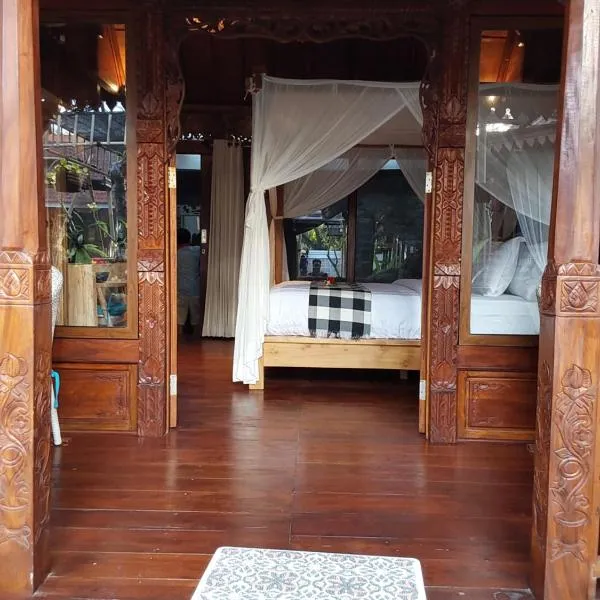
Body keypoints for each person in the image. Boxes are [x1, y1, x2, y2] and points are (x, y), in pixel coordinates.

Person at [177, 228, 201, 336]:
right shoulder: (197, 251)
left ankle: (179, 338)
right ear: (189, 239)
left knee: (179, 318)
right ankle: (197, 338)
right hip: (195, 289)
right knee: (196, 317)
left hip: (180, 290)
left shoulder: (176, 254)